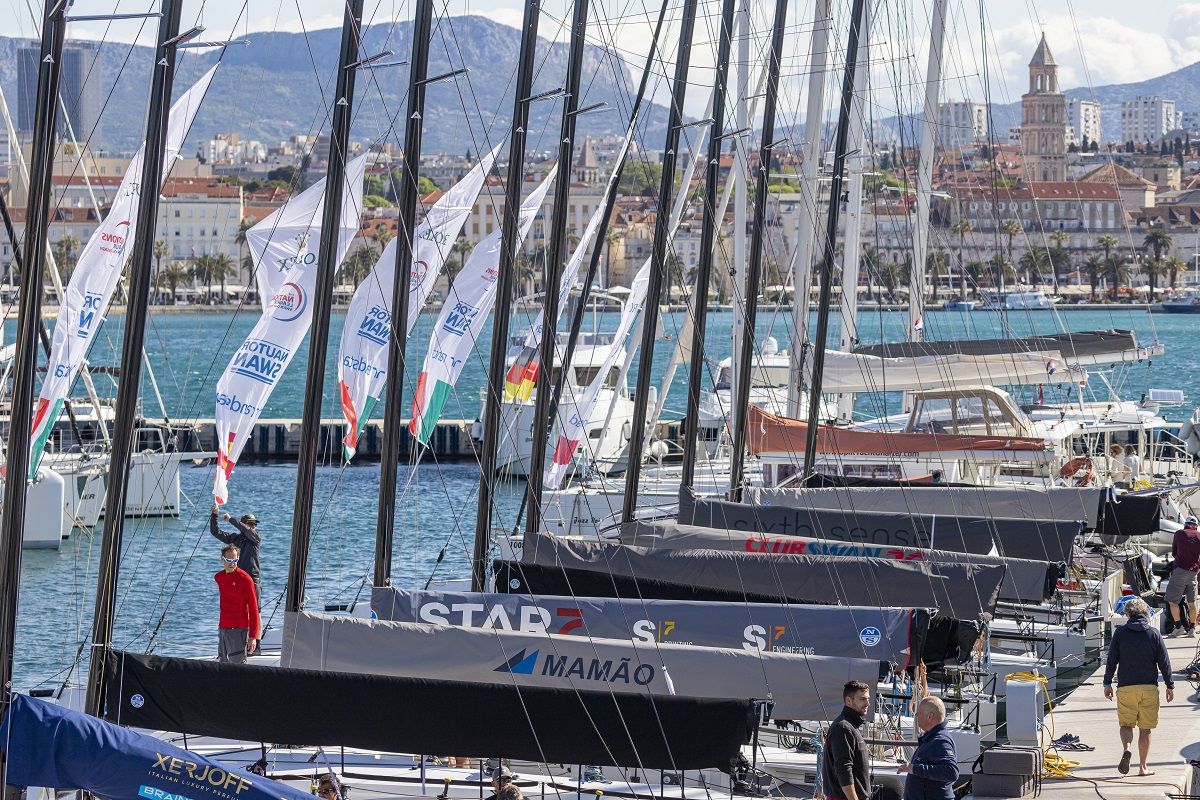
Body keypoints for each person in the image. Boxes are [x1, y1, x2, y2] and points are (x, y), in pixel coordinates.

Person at [1103, 597, 1174, 777]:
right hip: (1149, 688)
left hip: (1126, 688)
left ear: (1128, 614)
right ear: (1145, 614)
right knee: (1145, 728)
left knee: (1126, 725)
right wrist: (1169, 685)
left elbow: (1111, 660)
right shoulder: (1154, 634)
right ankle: (1143, 767)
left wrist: (1107, 683)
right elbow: (1164, 662)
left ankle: (1127, 748)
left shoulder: (1120, 633)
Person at [899, 696, 958, 800]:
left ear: (930, 716)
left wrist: (914, 769)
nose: (916, 715)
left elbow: (951, 772)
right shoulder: (931, 737)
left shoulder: (940, 740)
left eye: (919, 713)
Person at [822, 680, 872, 800]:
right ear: (848, 701)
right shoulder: (843, 728)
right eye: (862, 699)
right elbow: (843, 768)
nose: (867, 703)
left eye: (868, 699)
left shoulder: (850, 726)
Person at [215, 544, 261, 664]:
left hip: (238, 629)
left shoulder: (245, 579)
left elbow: (254, 609)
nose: (232, 563)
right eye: (229, 560)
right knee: (222, 665)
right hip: (223, 628)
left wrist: (253, 637)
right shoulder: (219, 577)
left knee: (237, 667)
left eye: (235, 560)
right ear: (222, 559)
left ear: (238, 558)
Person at [210, 503, 262, 598]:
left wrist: (230, 519)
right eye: (251, 524)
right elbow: (215, 532)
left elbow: (247, 530)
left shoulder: (256, 538)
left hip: (253, 579)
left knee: (255, 607)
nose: (254, 526)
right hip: (239, 578)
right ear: (243, 524)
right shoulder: (236, 538)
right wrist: (214, 515)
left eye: (255, 524)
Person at [1167, 516, 1200, 636]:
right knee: (1192, 602)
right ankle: (1192, 629)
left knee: (1172, 601)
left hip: (1180, 570)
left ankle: (1178, 627)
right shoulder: (1199, 535)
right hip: (1193, 572)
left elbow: (1174, 553)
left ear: (1186, 524)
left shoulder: (1179, 533)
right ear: (1195, 526)